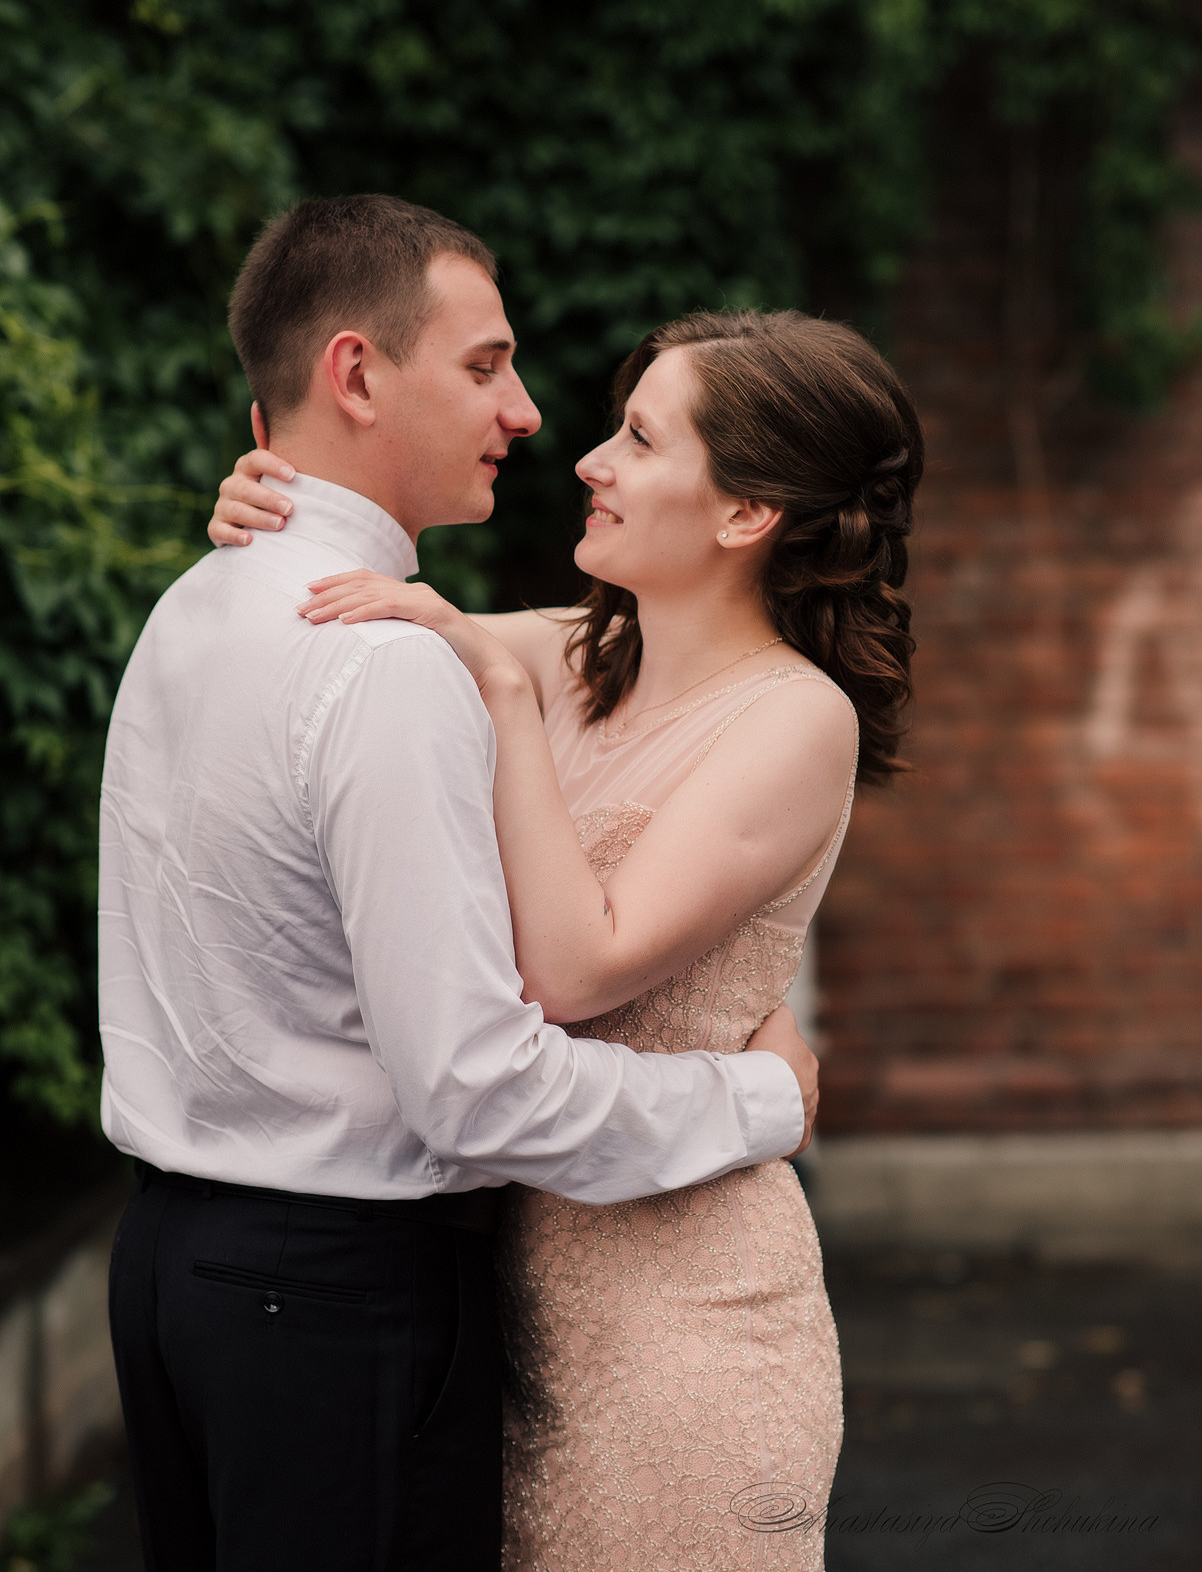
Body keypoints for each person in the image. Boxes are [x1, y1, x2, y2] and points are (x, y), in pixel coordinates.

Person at [100, 195, 820, 1572]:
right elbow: (475, 1085)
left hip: (171, 1279)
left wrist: (278, 492)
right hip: (332, 1302)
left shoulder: (199, 599)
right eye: (486, 365)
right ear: (357, 374)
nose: (535, 416)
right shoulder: (382, 666)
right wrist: (757, 1094)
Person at [210, 296, 924, 1569]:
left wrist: (489, 682)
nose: (589, 462)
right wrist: (266, 506)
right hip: (525, 1308)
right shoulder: (567, 652)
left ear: (744, 514)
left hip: (687, 1325)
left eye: (640, 441)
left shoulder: (795, 720)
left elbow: (574, 966)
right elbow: (340, 615)